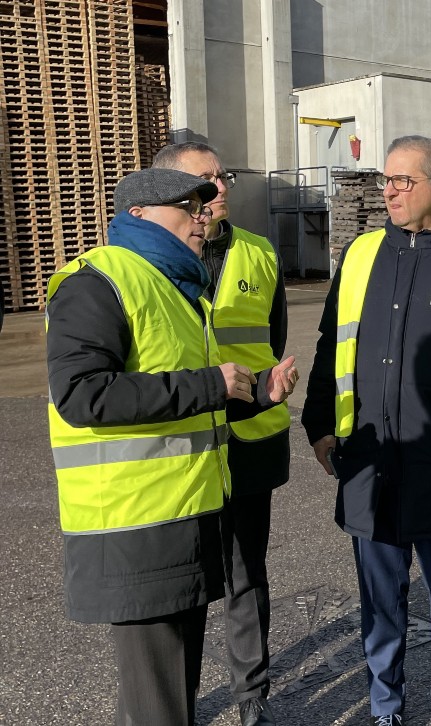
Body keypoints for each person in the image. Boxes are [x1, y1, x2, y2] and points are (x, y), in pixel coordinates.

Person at [46, 168, 298, 726]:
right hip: (136, 524)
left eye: (204, 206)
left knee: (168, 695)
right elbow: (81, 394)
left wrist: (255, 395)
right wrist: (211, 383)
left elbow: (183, 397)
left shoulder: (174, 288)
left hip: (183, 517)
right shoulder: (97, 281)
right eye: (188, 205)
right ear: (139, 215)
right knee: (156, 704)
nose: (203, 215)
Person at [301, 135, 431, 726]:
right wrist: (320, 424)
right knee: (380, 596)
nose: (388, 191)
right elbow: (329, 345)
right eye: (385, 180)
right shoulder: (363, 253)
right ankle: (384, 707)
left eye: (402, 181)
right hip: (368, 453)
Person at [152, 141, 289, 726]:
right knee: (179, 587)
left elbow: (274, 338)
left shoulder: (259, 254)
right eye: (206, 180)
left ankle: (251, 697)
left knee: (244, 573)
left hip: (248, 440)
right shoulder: (146, 260)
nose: (221, 189)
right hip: (176, 447)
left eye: (223, 176)